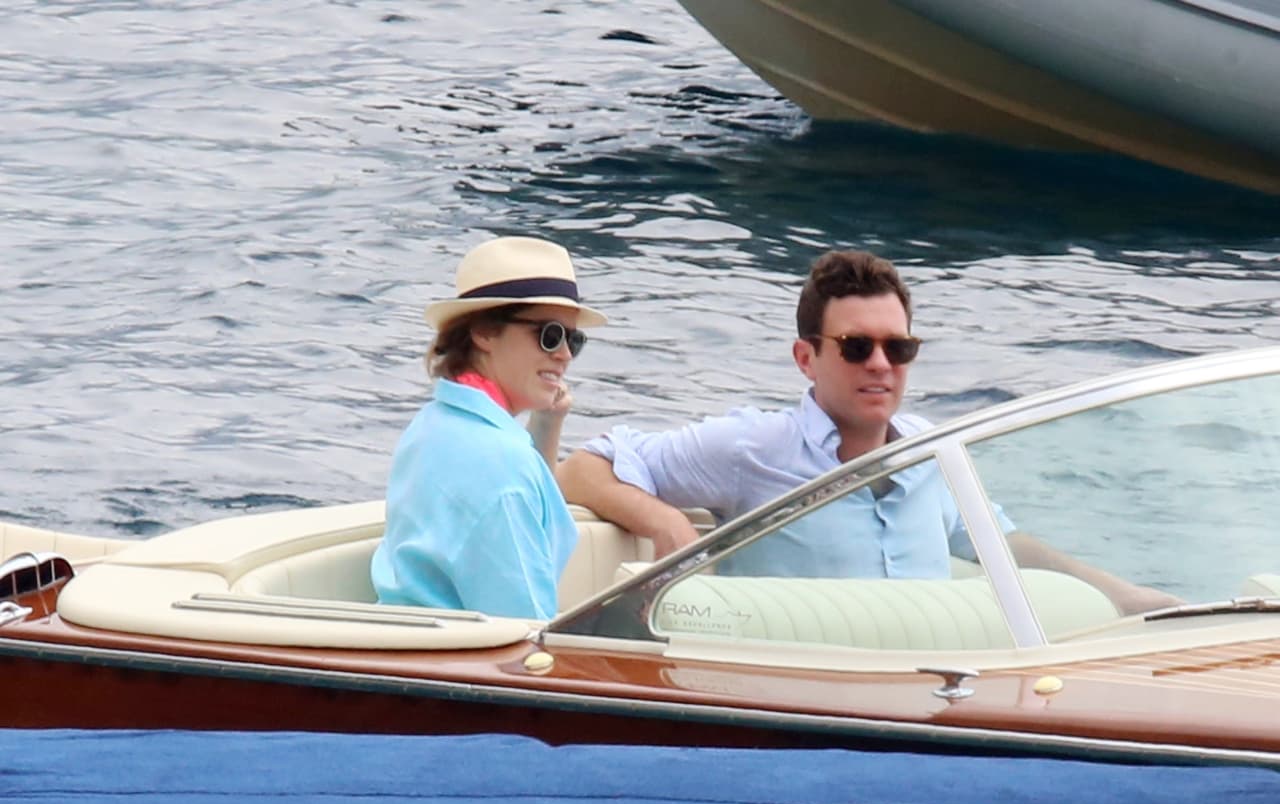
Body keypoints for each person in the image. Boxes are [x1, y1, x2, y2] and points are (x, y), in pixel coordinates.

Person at [556, 249, 1179, 616]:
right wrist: (669, 528)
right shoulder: (755, 448)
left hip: (936, 692)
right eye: (857, 347)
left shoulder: (931, 451)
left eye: (898, 346)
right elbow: (585, 466)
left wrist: (1134, 599)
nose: (881, 364)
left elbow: (1004, 546)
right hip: (807, 699)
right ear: (807, 359)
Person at [370, 235, 607, 619]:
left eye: (574, 340)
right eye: (549, 335)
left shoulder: (433, 424)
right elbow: (525, 630)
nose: (564, 355)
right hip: (465, 666)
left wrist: (548, 421)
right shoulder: (502, 466)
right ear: (484, 333)